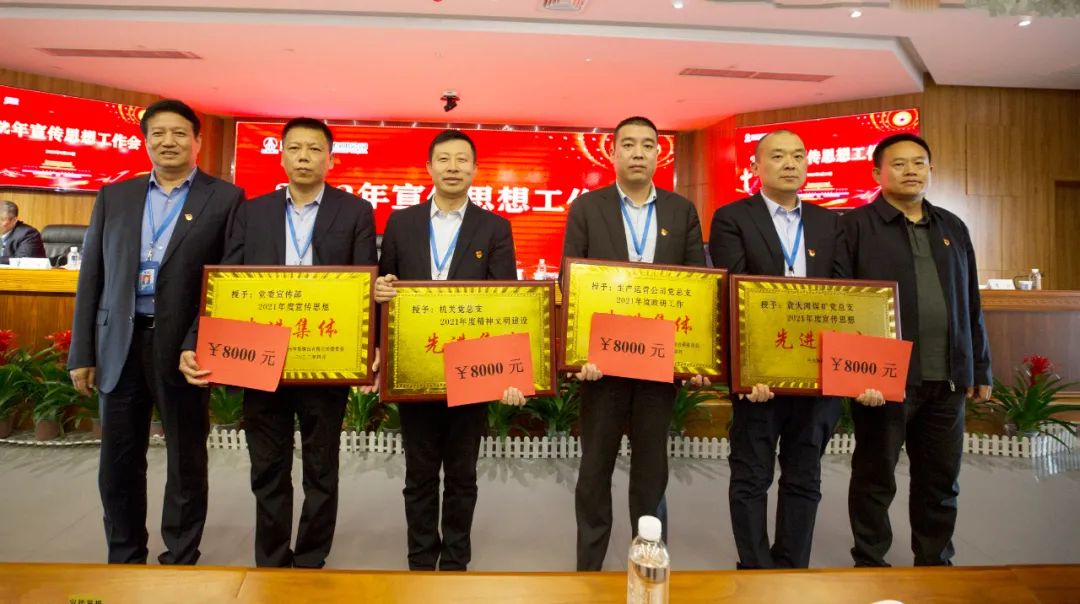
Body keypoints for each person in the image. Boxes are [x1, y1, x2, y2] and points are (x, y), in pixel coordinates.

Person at [180, 117, 376, 568]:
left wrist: (372, 348)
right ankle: (270, 559)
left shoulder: (355, 212)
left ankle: (310, 560)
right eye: (295, 148)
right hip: (260, 358)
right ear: (282, 155)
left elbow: (366, 284)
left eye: (315, 149)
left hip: (326, 358)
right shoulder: (253, 212)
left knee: (321, 468)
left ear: (331, 159)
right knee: (267, 466)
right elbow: (226, 281)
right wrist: (198, 339)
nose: (304, 157)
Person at [68, 99, 245, 565]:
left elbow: (227, 282)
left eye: (180, 133)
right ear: (145, 141)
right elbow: (92, 277)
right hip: (118, 345)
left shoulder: (225, 198)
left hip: (183, 349)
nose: (169, 141)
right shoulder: (115, 196)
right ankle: (124, 555)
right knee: (118, 462)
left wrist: (197, 341)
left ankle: (180, 557)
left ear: (197, 141)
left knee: (186, 460)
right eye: (159, 133)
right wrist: (82, 352)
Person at [709, 129, 883, 569]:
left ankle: (792, 570)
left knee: (805, 476)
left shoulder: (831, 222)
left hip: (817, 372)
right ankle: (755, 570)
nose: (790, 164)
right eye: (778, 156)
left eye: (799, 156)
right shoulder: (732, 218)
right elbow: (733, 293)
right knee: (751, 476)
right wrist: (749, 369)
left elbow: (846, 295)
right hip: (760, 377)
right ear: (755, 166)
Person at [835, 132, 992, 567]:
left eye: (919, 163)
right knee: (874, 479)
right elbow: (841, 302)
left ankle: (935, 566)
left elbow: (971, 301)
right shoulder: (855, 226)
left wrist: (980, 367)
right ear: (877, 173)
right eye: (899, 163)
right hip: (883, 381)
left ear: (930, 170)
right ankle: (870, 564)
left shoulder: (952, 226)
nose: (911, 171)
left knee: (940, 482)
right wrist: (854, 375)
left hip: (947, 378)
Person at [373, 129, 522, 571]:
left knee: (461, 474)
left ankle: (456, 562)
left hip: (471, 371)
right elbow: (385, 288)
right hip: (415, 367)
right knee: (418, 474)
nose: (453, 167)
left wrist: (509, 371)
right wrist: (380, 290)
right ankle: (421, 561)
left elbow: (507, 301)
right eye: (444, 159)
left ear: (475, 169)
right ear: (429, 167)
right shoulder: (401, 223)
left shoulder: (494, 227)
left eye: (461, 159)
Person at [562, 116, 706, 571]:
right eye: (628, 144)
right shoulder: (588, 208)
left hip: (658, 367)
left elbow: (697, 287)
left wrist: (697, 357)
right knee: (594, 471)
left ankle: (647, 565)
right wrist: (579, 354)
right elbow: (572, 281)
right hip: (602, 367)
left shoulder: (681, 211)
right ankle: (588, 570)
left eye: (647, 144)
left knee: (650, 473)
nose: (638, 152)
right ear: (612, 153)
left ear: (660, 153)